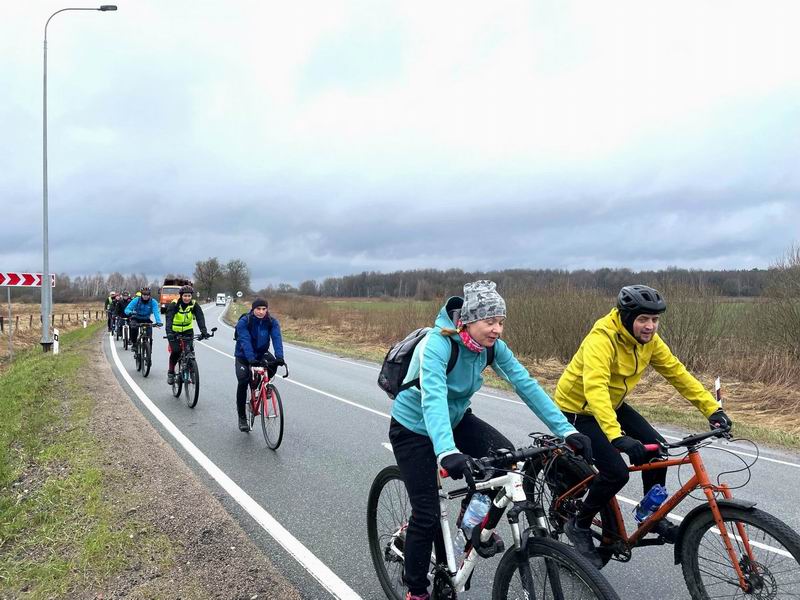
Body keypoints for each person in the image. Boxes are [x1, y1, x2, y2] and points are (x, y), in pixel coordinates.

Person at [389, 281, 593, 600]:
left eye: (501, 321)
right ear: (469, 320)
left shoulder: (490, 347)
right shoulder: (438, 344)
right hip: (413, 427)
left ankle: (471, 526)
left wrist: (566, 430)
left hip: (454, 419)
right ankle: (416, 590)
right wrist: (446, 452)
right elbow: (433, 398)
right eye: (490, 321)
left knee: (508, 461)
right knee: (426, 513)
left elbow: (525, 384)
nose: (497, 329)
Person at [555, 284, 732, 567]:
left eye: (655, 319)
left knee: (657, 453)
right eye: (643, 319)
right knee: (616, 472)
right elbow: (595, 388)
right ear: (626, 318)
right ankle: (579, 523)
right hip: (578, 408)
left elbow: (677, 373)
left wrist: (712, 409)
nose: (650, 326)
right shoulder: (602, 338)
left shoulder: (649, 341)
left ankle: (650, 516)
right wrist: (616, 437)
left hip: (613, 404)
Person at [233, 298, 286, 432]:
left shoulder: (271, 322)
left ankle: (262, 388)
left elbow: (276, 338)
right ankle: (242, 417)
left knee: (273, 364)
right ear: (253, 309)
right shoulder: (245, 321)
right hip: (243, 355)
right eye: (258, 309)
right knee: (243, 381)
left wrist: (280, 357)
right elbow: (244, 340)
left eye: (264, 309)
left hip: (261, 353)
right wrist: (250, 358)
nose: (261, 312)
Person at [165, 285, 209, 385]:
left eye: (189, 296)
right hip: (174, 331)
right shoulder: (174, 304)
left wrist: (204, 331)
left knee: (190, 352)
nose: (187, 298)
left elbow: (200, 318)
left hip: (188, 331)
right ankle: (171, 373)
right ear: (181, 296)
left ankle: (192, 371)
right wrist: (169, 333)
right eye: (185, 296)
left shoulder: (193, 304)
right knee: (176, 352)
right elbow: (168, 319)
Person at [124, 287, 163, 351]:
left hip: (146, 319)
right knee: (133, 327)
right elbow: (127, 309)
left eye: (147, 295)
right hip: (136, 317)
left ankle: (148, 346)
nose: (146, 296)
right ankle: (134, 344)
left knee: (149, 331)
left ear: (149, 295)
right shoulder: (136, 300)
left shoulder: (153, 302)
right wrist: (130, 312)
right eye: (144, 295)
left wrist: (158, 322)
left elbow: (156, 312)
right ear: (141, 294)